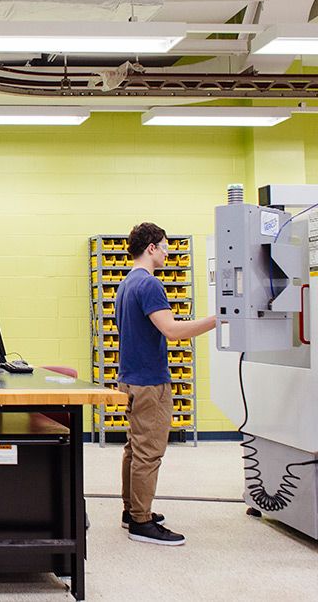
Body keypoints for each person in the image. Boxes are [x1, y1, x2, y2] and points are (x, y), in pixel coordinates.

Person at [116, 222, 216, 546]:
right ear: (151, 249)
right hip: (149, 382)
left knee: (134, 448)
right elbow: (172, 330)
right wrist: (218, 320)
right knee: (149, 452)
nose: (168, 251)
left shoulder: (126, 283)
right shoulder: (149, 285)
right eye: (165, 245)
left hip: (129, 379)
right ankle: (141, 523)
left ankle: (131, 510)